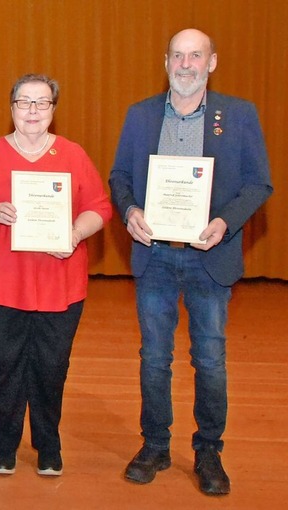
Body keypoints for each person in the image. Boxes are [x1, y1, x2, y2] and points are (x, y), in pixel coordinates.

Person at [109, 29, 273, 496]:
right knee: (154, 359)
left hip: (210, 258)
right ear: (166, 62)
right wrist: (129, 210)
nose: (186, 64)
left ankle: (208, 451)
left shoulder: (238, 115)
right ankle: (156, 445)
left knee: (210, 359)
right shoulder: (140, 116)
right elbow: (119, 175)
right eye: (177, 55)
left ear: (211, 62)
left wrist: (224, 222)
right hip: (155, 256)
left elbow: (259, 184)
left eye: (195, 55)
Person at [0, 74, 112, 476]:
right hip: (0, 284)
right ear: (12, 108)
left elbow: (100, 208)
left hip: (60, 284)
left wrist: (74, 232)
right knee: (4, 364)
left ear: (54, 110)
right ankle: (5, 442)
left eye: (42, 103)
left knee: (52, 366)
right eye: (24, 102)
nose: (33, 111)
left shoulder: (73, 155)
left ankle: (47, 444)